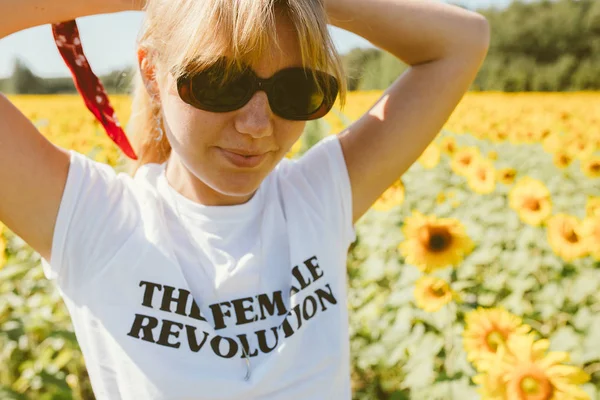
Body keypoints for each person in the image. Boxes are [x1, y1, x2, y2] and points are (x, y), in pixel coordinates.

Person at [0, 0, 490, 398]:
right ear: (153, 72)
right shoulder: (96, 221)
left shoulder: (317, 198)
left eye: (297, 90)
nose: (257, 126)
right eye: (219, 82)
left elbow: (464, 41)